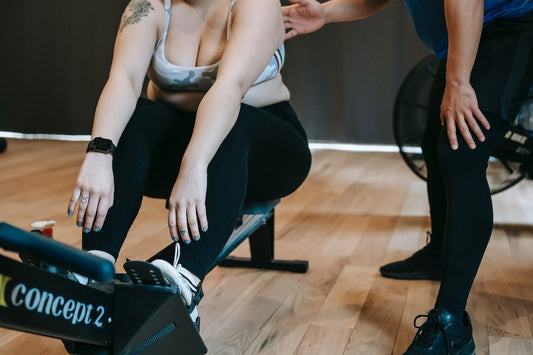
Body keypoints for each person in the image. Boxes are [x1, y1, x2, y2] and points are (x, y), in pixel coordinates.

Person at [283, 0, 533, 353]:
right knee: (437, 143)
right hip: (465, 31)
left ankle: (451, 323)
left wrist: (459, 82)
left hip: (511, 25)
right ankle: (440, 253)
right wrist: (326, 12)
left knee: (461, 153)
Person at [67, 0, 312, 330]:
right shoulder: (149, 6)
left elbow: (230, 88)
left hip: (268, 152)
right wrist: (99, 152)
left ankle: (183, 277)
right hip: (183, 141)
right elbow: (124, 79)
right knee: (134, 117)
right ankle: (95, 267)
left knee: (234, 123)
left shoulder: (256, 4)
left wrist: (194, 165)